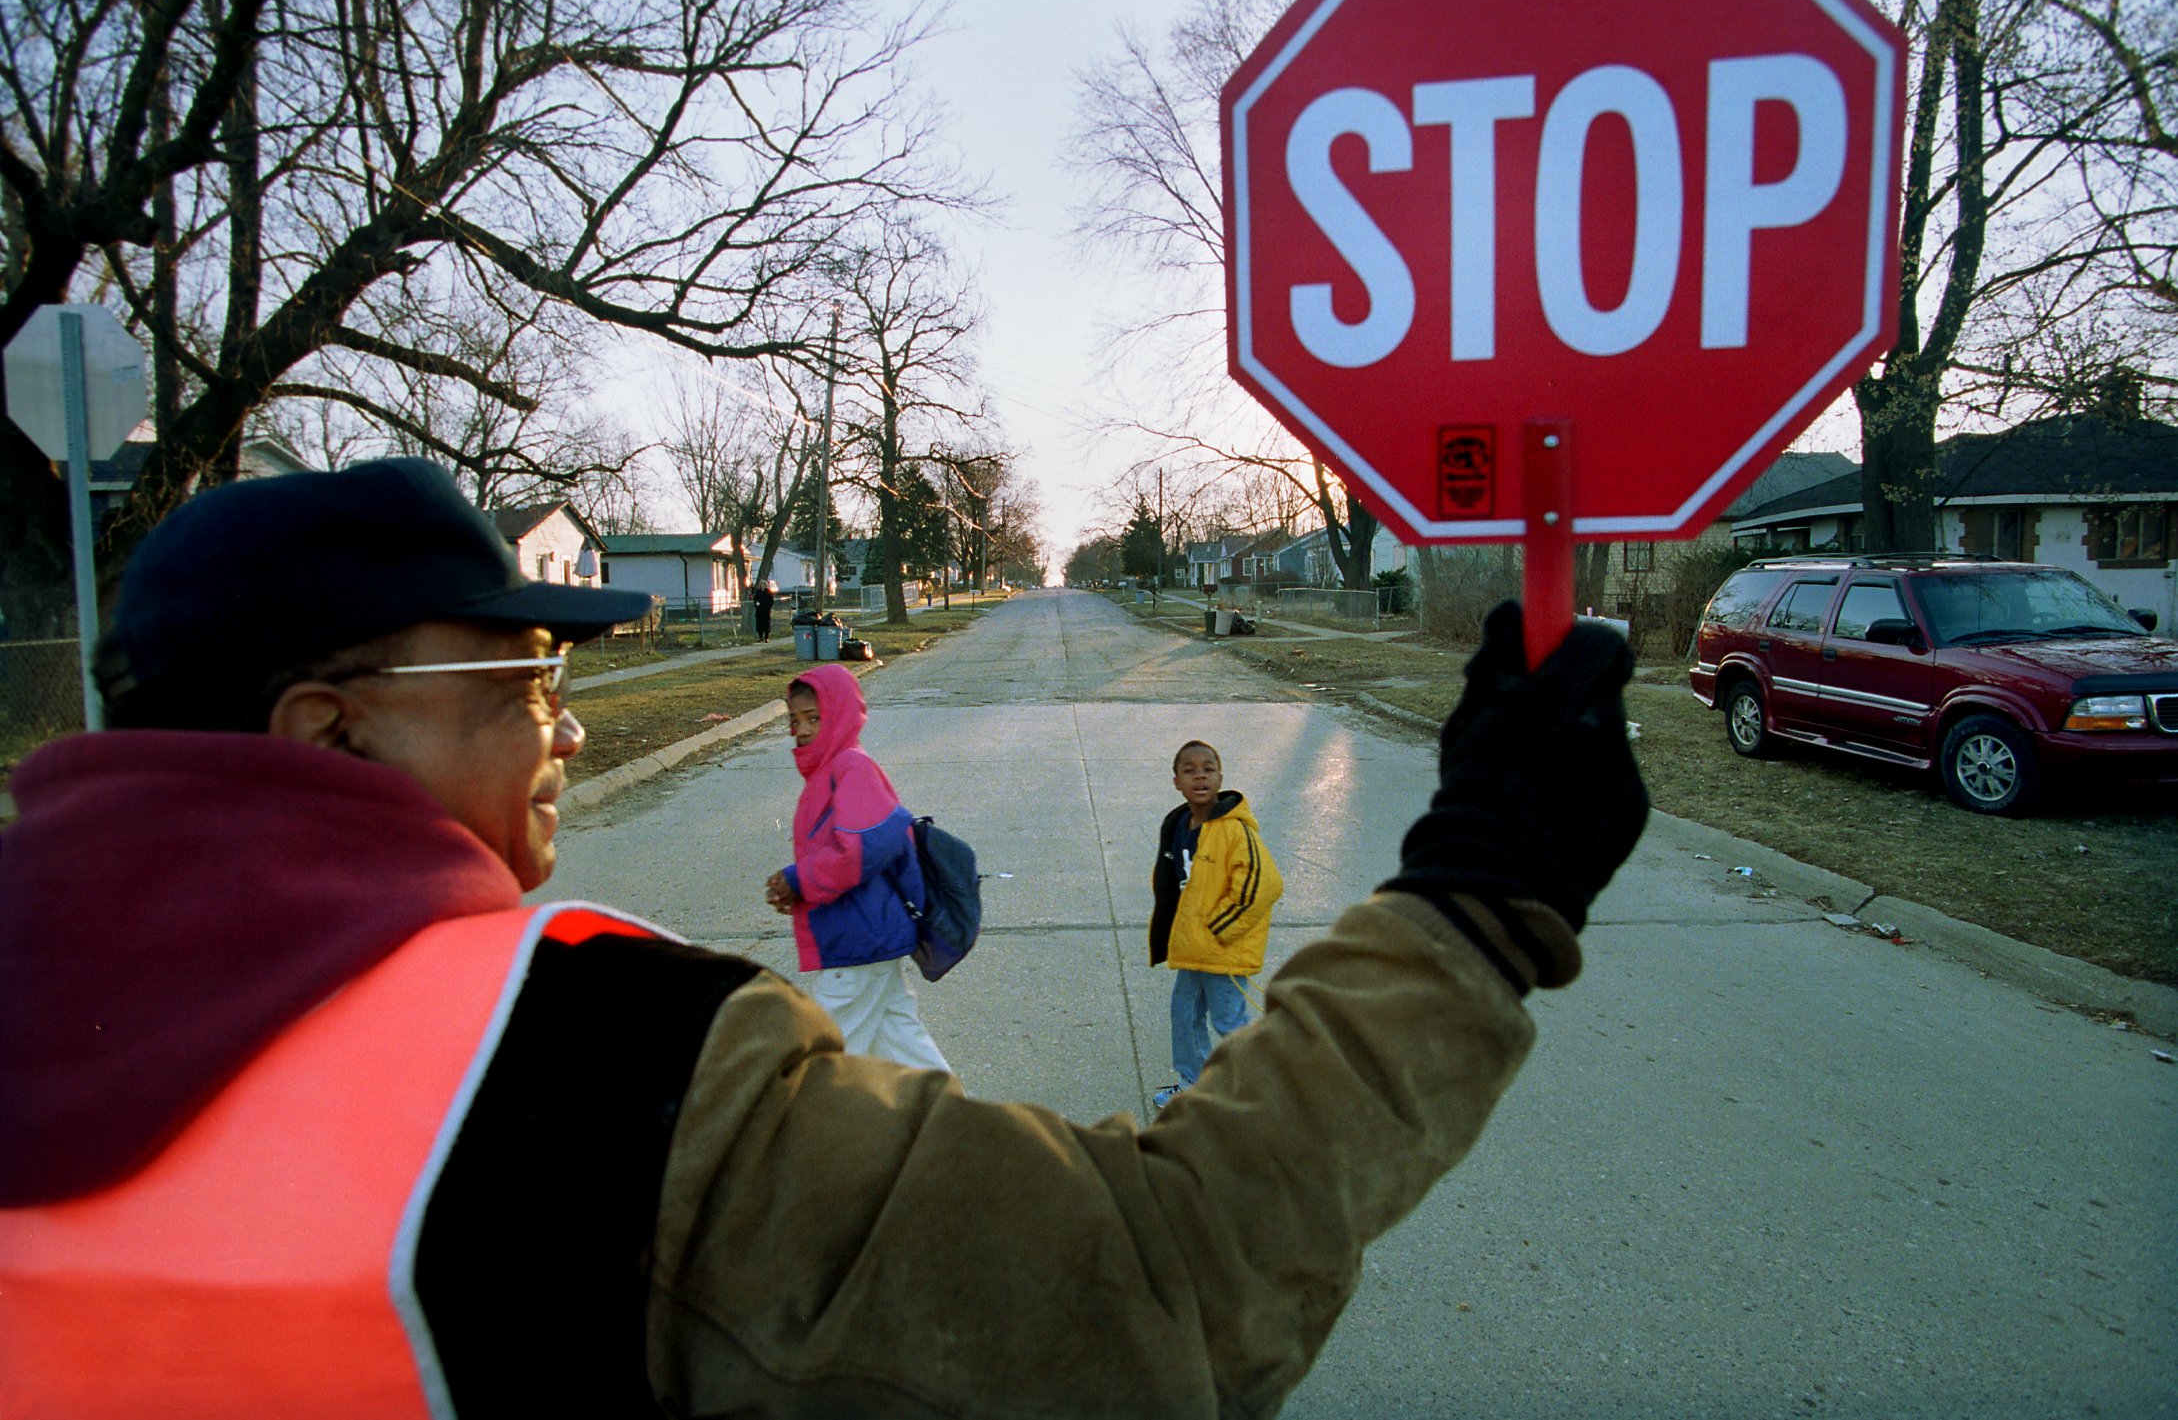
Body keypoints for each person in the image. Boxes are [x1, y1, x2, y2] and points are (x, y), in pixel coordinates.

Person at [0, 456, 1648, 1416]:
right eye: (521, 687)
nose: (565, 736)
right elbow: (1160, 1292)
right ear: (323, 734)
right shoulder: (587, 1061)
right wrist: (1475, 901)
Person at [763, 665, 949, 1070]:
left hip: (859, 942)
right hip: (863, 938)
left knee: (823, 1059)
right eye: (794, 721)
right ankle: (960, 1123)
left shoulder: (851, 767)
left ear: (843, 714)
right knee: (904, 1047)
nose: (803, 730)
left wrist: (800, 880)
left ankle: (805, 1129)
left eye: (815, 718)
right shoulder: (831, 770)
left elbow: (863, 849)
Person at [1148, 739, 1283, 1109]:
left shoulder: (1234, 830)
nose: (1200, 775)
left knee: (1229, 1022)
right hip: (1193, 947)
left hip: (1222, 947)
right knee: (1185, 1015)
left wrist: (1221, 929)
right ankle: (1194, 1082)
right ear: (1176, 781)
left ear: (1221, 777)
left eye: (1208, 768)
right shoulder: (1179, 824)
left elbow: (1263, 884)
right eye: (1189, 770)